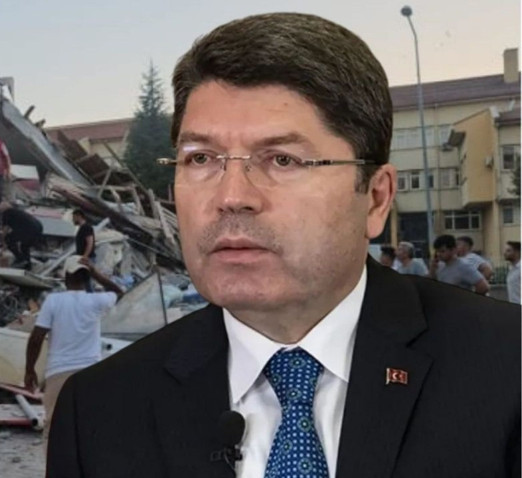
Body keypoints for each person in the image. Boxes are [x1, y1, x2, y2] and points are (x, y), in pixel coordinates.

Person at [47, 13, 520, 478]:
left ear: (375, 198)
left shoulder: (506, 368)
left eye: (282, 159)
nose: (232, 197)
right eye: (201, 158)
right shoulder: (99, 411)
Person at [24, 256, 124, 451]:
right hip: (91, 373)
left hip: (59, 374)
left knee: (55, 429)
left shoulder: (53, 301)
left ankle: (56, 466)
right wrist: (96, 274)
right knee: (89, 428)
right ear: (87, 278)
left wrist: (30, 370)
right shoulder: (96, 301)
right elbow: (119, 292)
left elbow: (36, 338)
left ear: (65, 277)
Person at [0, 201, 43, 270]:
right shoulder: (17, 211)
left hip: (29, 229)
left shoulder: (7, 213)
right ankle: (27, 265)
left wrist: (3, 242)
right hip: (38, 227)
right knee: (24, 246)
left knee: (8, 238)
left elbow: (5, 230)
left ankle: (20, 259)